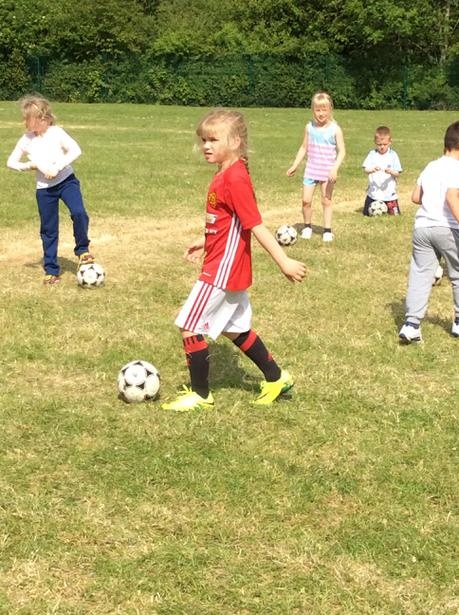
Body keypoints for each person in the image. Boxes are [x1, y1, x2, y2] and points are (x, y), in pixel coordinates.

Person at [162, 108, 306, 412]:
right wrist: (205, 240)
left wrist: (284, 262)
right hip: (227, 266)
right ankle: (276, 377)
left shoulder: (235, 178)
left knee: (189, 325)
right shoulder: (227, 172)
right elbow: (231, 222)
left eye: (213, 140)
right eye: (204, 140)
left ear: (236, 141)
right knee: (234, 328)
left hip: (221, 271)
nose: (206, 146)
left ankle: (201, 395)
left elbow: (255, 225)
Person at [6, 94, 94, 284]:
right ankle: (52, 270)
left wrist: (57, 168)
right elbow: (11, 162)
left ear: (42, 118)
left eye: (28, 117)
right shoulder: (26, 139)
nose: (24, 121)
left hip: (67, 181)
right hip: (44, 190)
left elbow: (75, 150)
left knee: (79, 213)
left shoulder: (57, 132)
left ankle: (82, 250)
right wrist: (29, 165)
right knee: (48, 229)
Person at [399, 120, 459, 343]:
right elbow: (451, 197)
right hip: (448, 228)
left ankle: (411, 325)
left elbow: (416, 197)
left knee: (421, 274)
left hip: (422, 227)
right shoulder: (457, 168)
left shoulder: (431, 166)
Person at [286, 91, 345, 242]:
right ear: (313, 110)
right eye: (318, 110)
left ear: (330, 109)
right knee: (306, 201)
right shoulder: (309, 127)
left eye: (324, 109)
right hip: (311, 170)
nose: (321, 113)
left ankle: (327, 230)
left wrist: (334, 168)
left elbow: (342, 151)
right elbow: (303, 147)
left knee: (326, 200)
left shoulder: (335, 129)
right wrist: (294, 165)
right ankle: (307, 227)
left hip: (327, 172)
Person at [362, 126, 402, 216]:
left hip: (389, 193)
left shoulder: (393, 155)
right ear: (375, 142)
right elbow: (365, 169)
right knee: (366, 214)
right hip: (374, 193)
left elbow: (398, 173)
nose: (382, 147)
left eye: (385, 144)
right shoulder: (372, 154)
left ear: (390, 142)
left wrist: (391, 171)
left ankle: (390, 207)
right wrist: (371, 169)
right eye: (379, 144)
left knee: (395, 215)